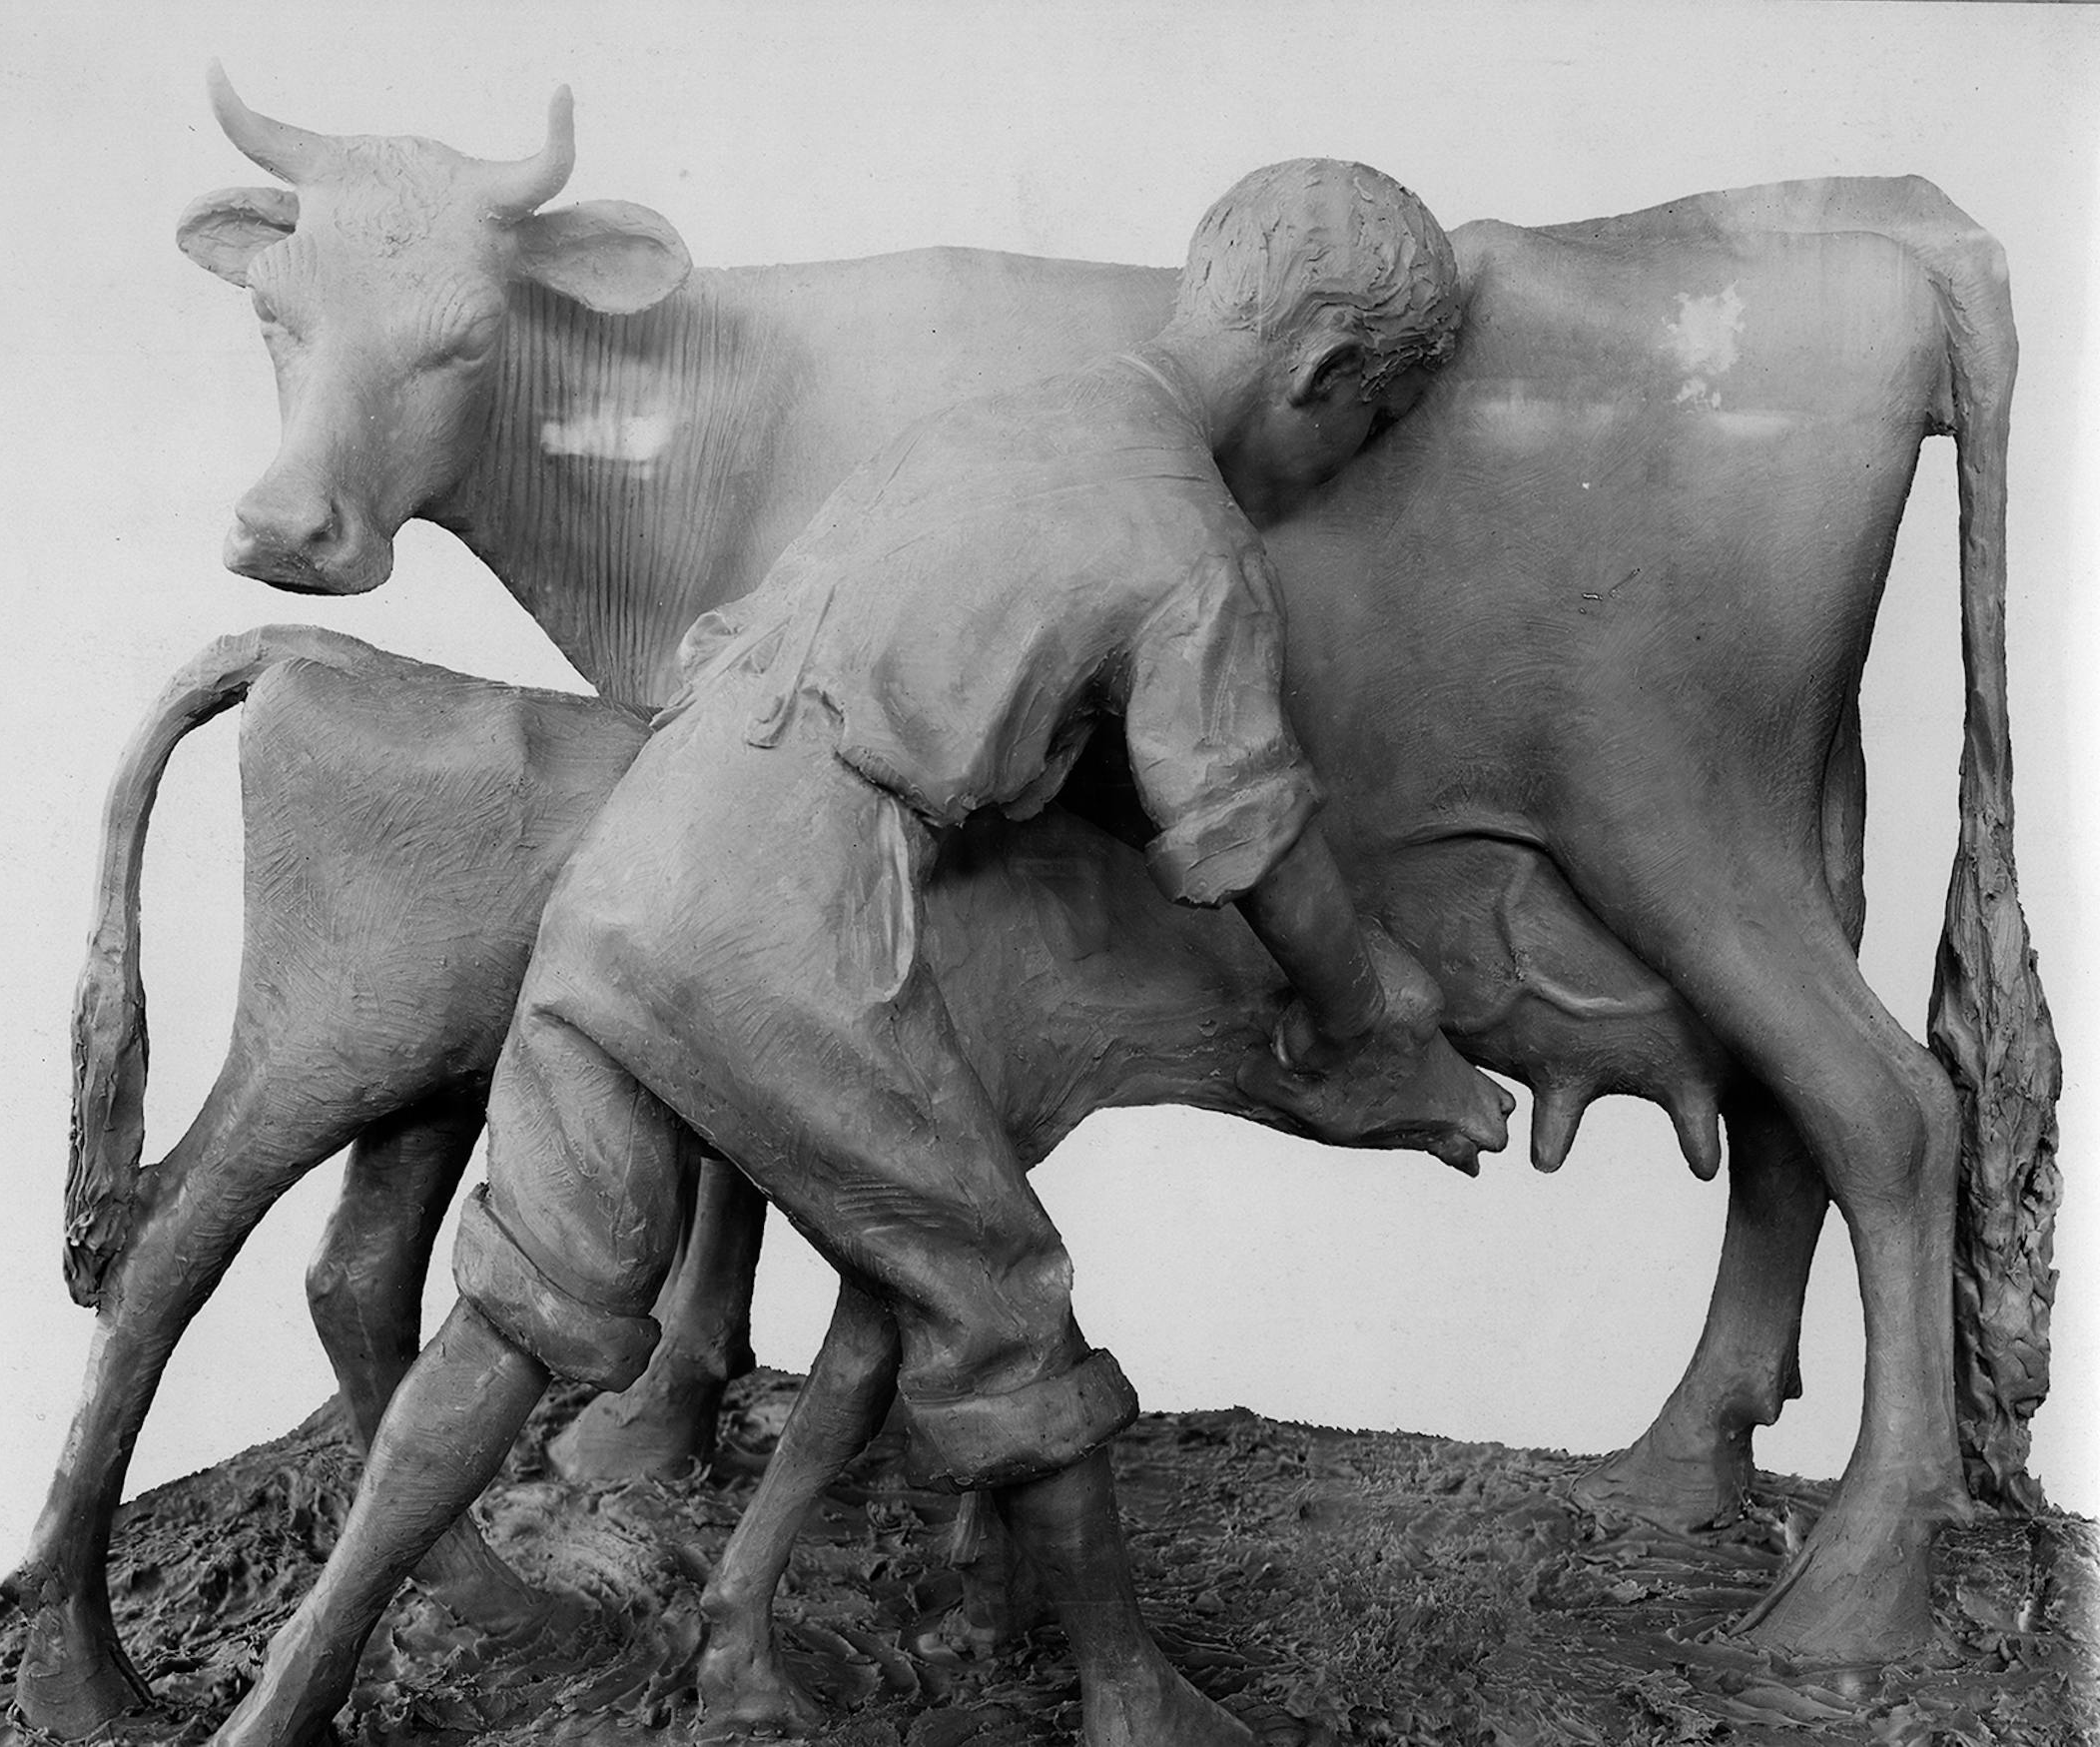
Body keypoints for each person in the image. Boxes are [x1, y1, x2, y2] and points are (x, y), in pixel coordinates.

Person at [214, 160, 1502, 1747]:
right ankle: (1125, 1696)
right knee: (996, 1280)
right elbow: (1245, 832)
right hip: (792, 910)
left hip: (638, 857)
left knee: (516, 1308)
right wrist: (1364, 995)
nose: (1337, 471)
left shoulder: (994, 424)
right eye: (1361, 437)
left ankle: (283, 1697)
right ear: (1319, 376)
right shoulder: (1190, 548)